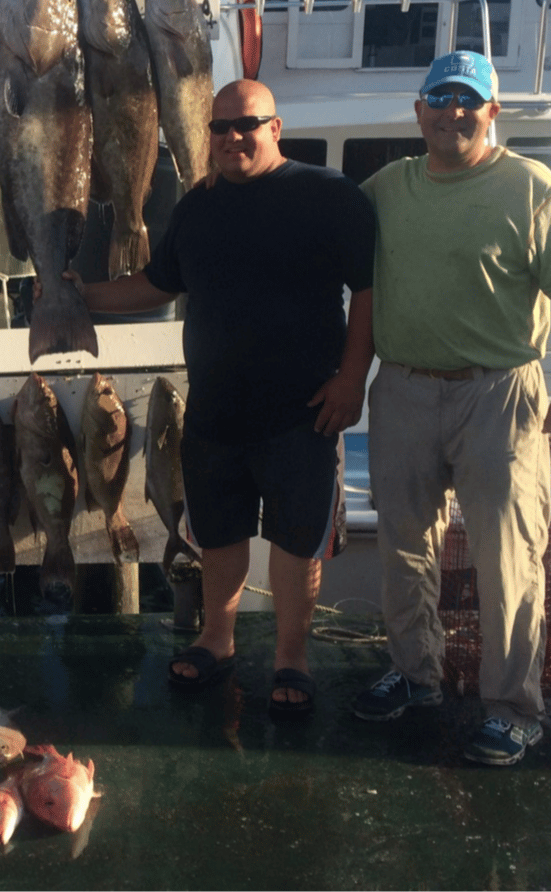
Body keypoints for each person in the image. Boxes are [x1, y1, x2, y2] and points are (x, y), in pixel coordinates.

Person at [67, 79, 376, 715]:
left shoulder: (329, 195)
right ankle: (217, 638)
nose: (233, 137)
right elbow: (157, 284)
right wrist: (80, 295)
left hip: (303, 412)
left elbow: (370, 292)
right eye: (220, 128)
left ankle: (292, 655)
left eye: (248, 124)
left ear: (276, 127)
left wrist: (352, 380)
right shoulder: (197, 205)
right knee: (220, 533)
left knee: (295, 542)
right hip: (214, 410)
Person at [352, 51, 551, 765]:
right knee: (404, 544)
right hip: (400, 387)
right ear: (419, 110)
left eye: (468, 100)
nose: (452, 112)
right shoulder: (388, 187)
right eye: (440, 98)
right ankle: (415, 673)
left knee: (508, 558)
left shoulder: (530, 186)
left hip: (500, 392)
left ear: (492, 112)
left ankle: (513, 708)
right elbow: (319, 224)